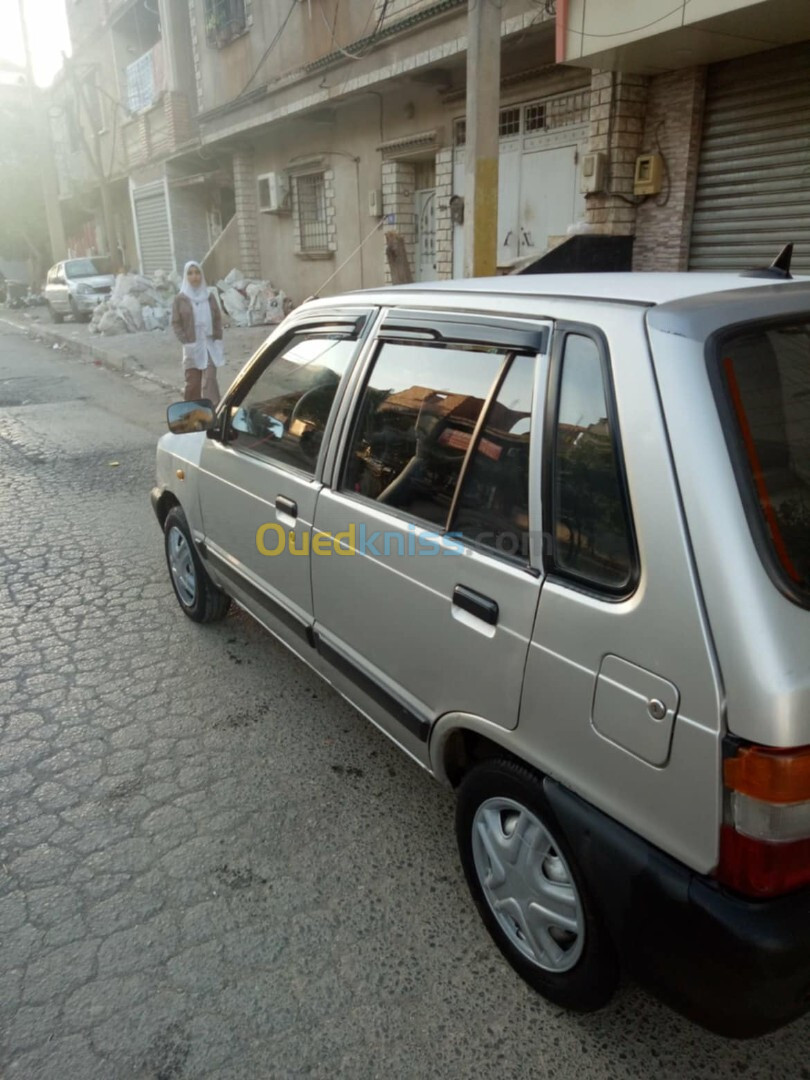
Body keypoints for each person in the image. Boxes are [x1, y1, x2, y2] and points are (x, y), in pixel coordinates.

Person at [171, 260, 224, 402]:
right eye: (190, 273)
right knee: (193, 383)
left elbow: (217, 318)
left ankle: (213, 413)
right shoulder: (180, 299)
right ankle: (192, 414)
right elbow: (176, 323)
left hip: (209, 344)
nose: (194, 277)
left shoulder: (209, 297)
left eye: (197, 273)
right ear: (185, 277)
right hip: (192, 345)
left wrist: (218, 338)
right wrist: (186, 341)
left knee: (210, 381)